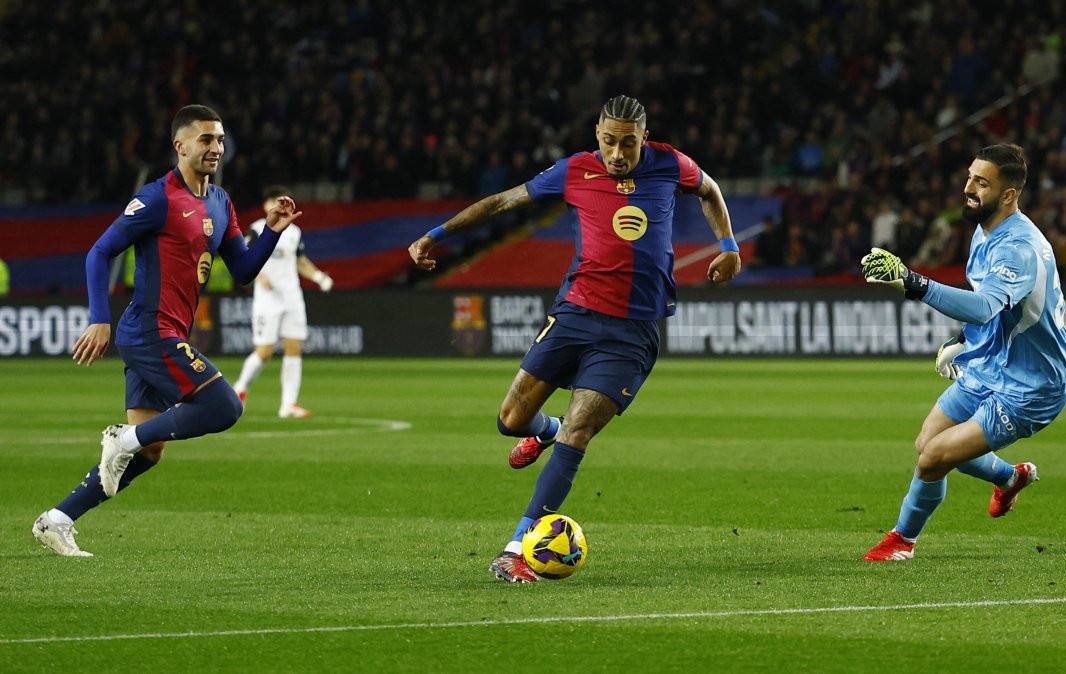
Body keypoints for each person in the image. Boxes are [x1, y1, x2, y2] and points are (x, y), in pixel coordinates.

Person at [408, 95, 741, 582]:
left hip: (631, 331)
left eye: (628, 143)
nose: (618, 154)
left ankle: (517, 548)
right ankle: (546, 430)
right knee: (510, 420)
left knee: (580, 429)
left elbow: (709, 190)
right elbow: (504, 200)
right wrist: (436, 234)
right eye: (609, 142)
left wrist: (729, 246)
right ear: (597, 135)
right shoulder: (575, 171)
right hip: (574, 316)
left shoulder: (672, 164)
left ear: (644, 138)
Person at [32, 104, 301, 557]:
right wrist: (99, 317)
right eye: (205, 140)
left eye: (219, 139)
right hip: (149, 331)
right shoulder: (158, 197)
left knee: (151, 451)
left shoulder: (220, 201)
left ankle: (56, 519)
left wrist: (271, 232)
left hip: (167, 331)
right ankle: (122, 438)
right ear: (180, 146)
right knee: (224, 406)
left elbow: (243, 270)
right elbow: (99, 252)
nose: (215, 147)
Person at [859, 143, 1066, 561]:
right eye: (970, 176)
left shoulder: (1018, 248)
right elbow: (991, 307)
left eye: (981, 182)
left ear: (1009, 195)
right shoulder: (984, 229)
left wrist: (911, 281)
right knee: (928, 443)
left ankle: (902, 541)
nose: (968, 188)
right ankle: (1010, 479)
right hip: (994, 362)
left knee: (934, 457)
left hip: (1032, 385)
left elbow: (986, 305)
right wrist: (963, 339)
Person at [231, 185, 334, 418]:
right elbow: (242, 258)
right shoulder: (257, 230)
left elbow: (300, 261)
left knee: (294, 349)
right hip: (267, 300)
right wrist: (259, 276)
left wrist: (319, 277)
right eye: (275, 201)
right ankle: (240, 387)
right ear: (266, 205)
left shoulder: (294, 232)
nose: (279, 205)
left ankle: (288, 404)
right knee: (265, 352)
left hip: (292, 297)